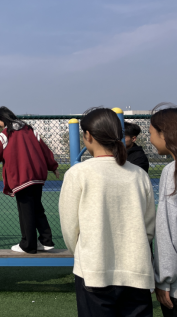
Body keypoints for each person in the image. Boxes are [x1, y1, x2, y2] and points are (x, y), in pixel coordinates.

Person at [59, 108, 155, 318]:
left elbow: (69, 228)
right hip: (137, 271)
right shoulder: (139, 175)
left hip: (94, 270)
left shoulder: (78, 173)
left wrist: (84, 253)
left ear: (88, 135)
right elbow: (148, 228)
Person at [0, 106, 59, 254]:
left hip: (21, 176)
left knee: (25, 211)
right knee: (37, 208)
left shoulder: (6, 134)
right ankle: (46, 241)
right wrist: (53, 166)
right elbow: (44, 149)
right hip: (37, 175)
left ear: (3, 119)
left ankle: (28, 245)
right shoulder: (30, 130)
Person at [150, 105, 177, 317]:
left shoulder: (171, 171)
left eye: (151, 133)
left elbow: (168, 230)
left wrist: (164, 280)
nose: (150, 140)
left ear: (164, 133)